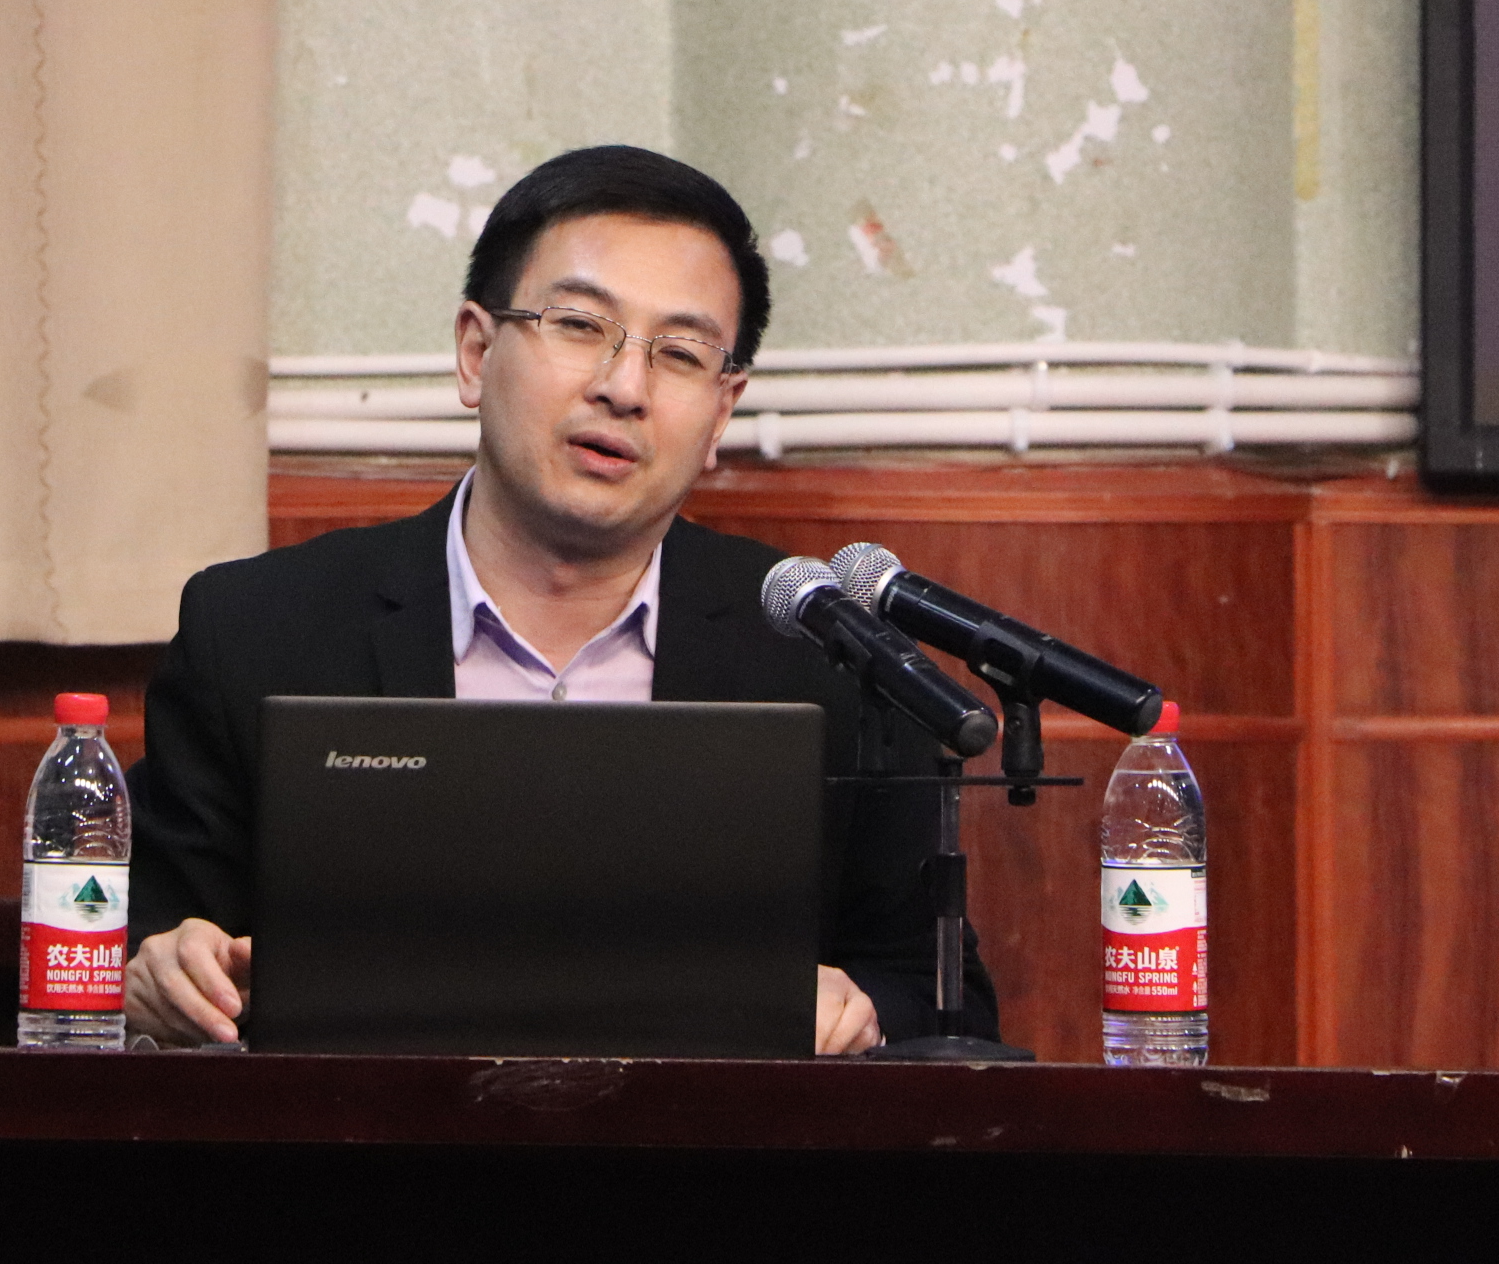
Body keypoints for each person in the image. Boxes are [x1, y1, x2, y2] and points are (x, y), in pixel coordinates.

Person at [122, 144, 996, 1054]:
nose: (623, 388)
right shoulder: (258, 630)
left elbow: (943, 998)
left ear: (722, 410)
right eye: (579, 325)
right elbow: (134, 940)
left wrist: (859, 1011)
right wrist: (155, 973)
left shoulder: (834, 657)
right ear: (475, 352)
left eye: (681, 353)